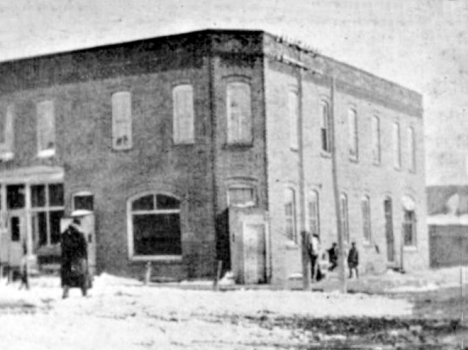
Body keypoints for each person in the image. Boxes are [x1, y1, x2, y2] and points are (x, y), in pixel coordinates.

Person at [61, 216, 89, 299]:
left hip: (68, 259)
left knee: (68, 277)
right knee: (82, 275)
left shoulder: (66, 233)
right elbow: (83, 246)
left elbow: (64, 246)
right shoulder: (79, 233)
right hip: (78, 258)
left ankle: (65, 293)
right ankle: (84, 293)